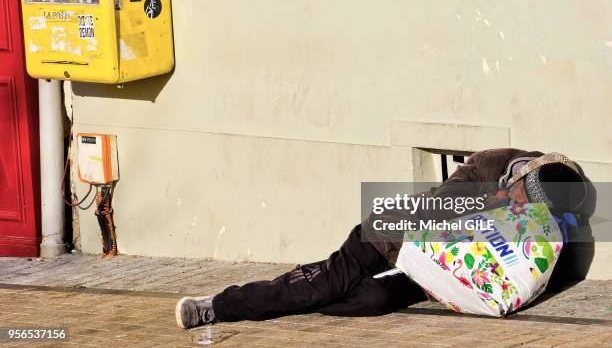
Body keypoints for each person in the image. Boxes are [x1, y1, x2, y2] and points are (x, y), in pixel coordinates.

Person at [175, 148, 588, 329]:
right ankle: (218, 306)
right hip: (398, 233)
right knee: (327, 283)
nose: (521, 209)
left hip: (447, 263)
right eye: (517, 197)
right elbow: (430, 224)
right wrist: (493, 207)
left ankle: (299, 299)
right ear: (517, 178)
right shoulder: (482, 174)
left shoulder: (557, 182)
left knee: (370, 301)